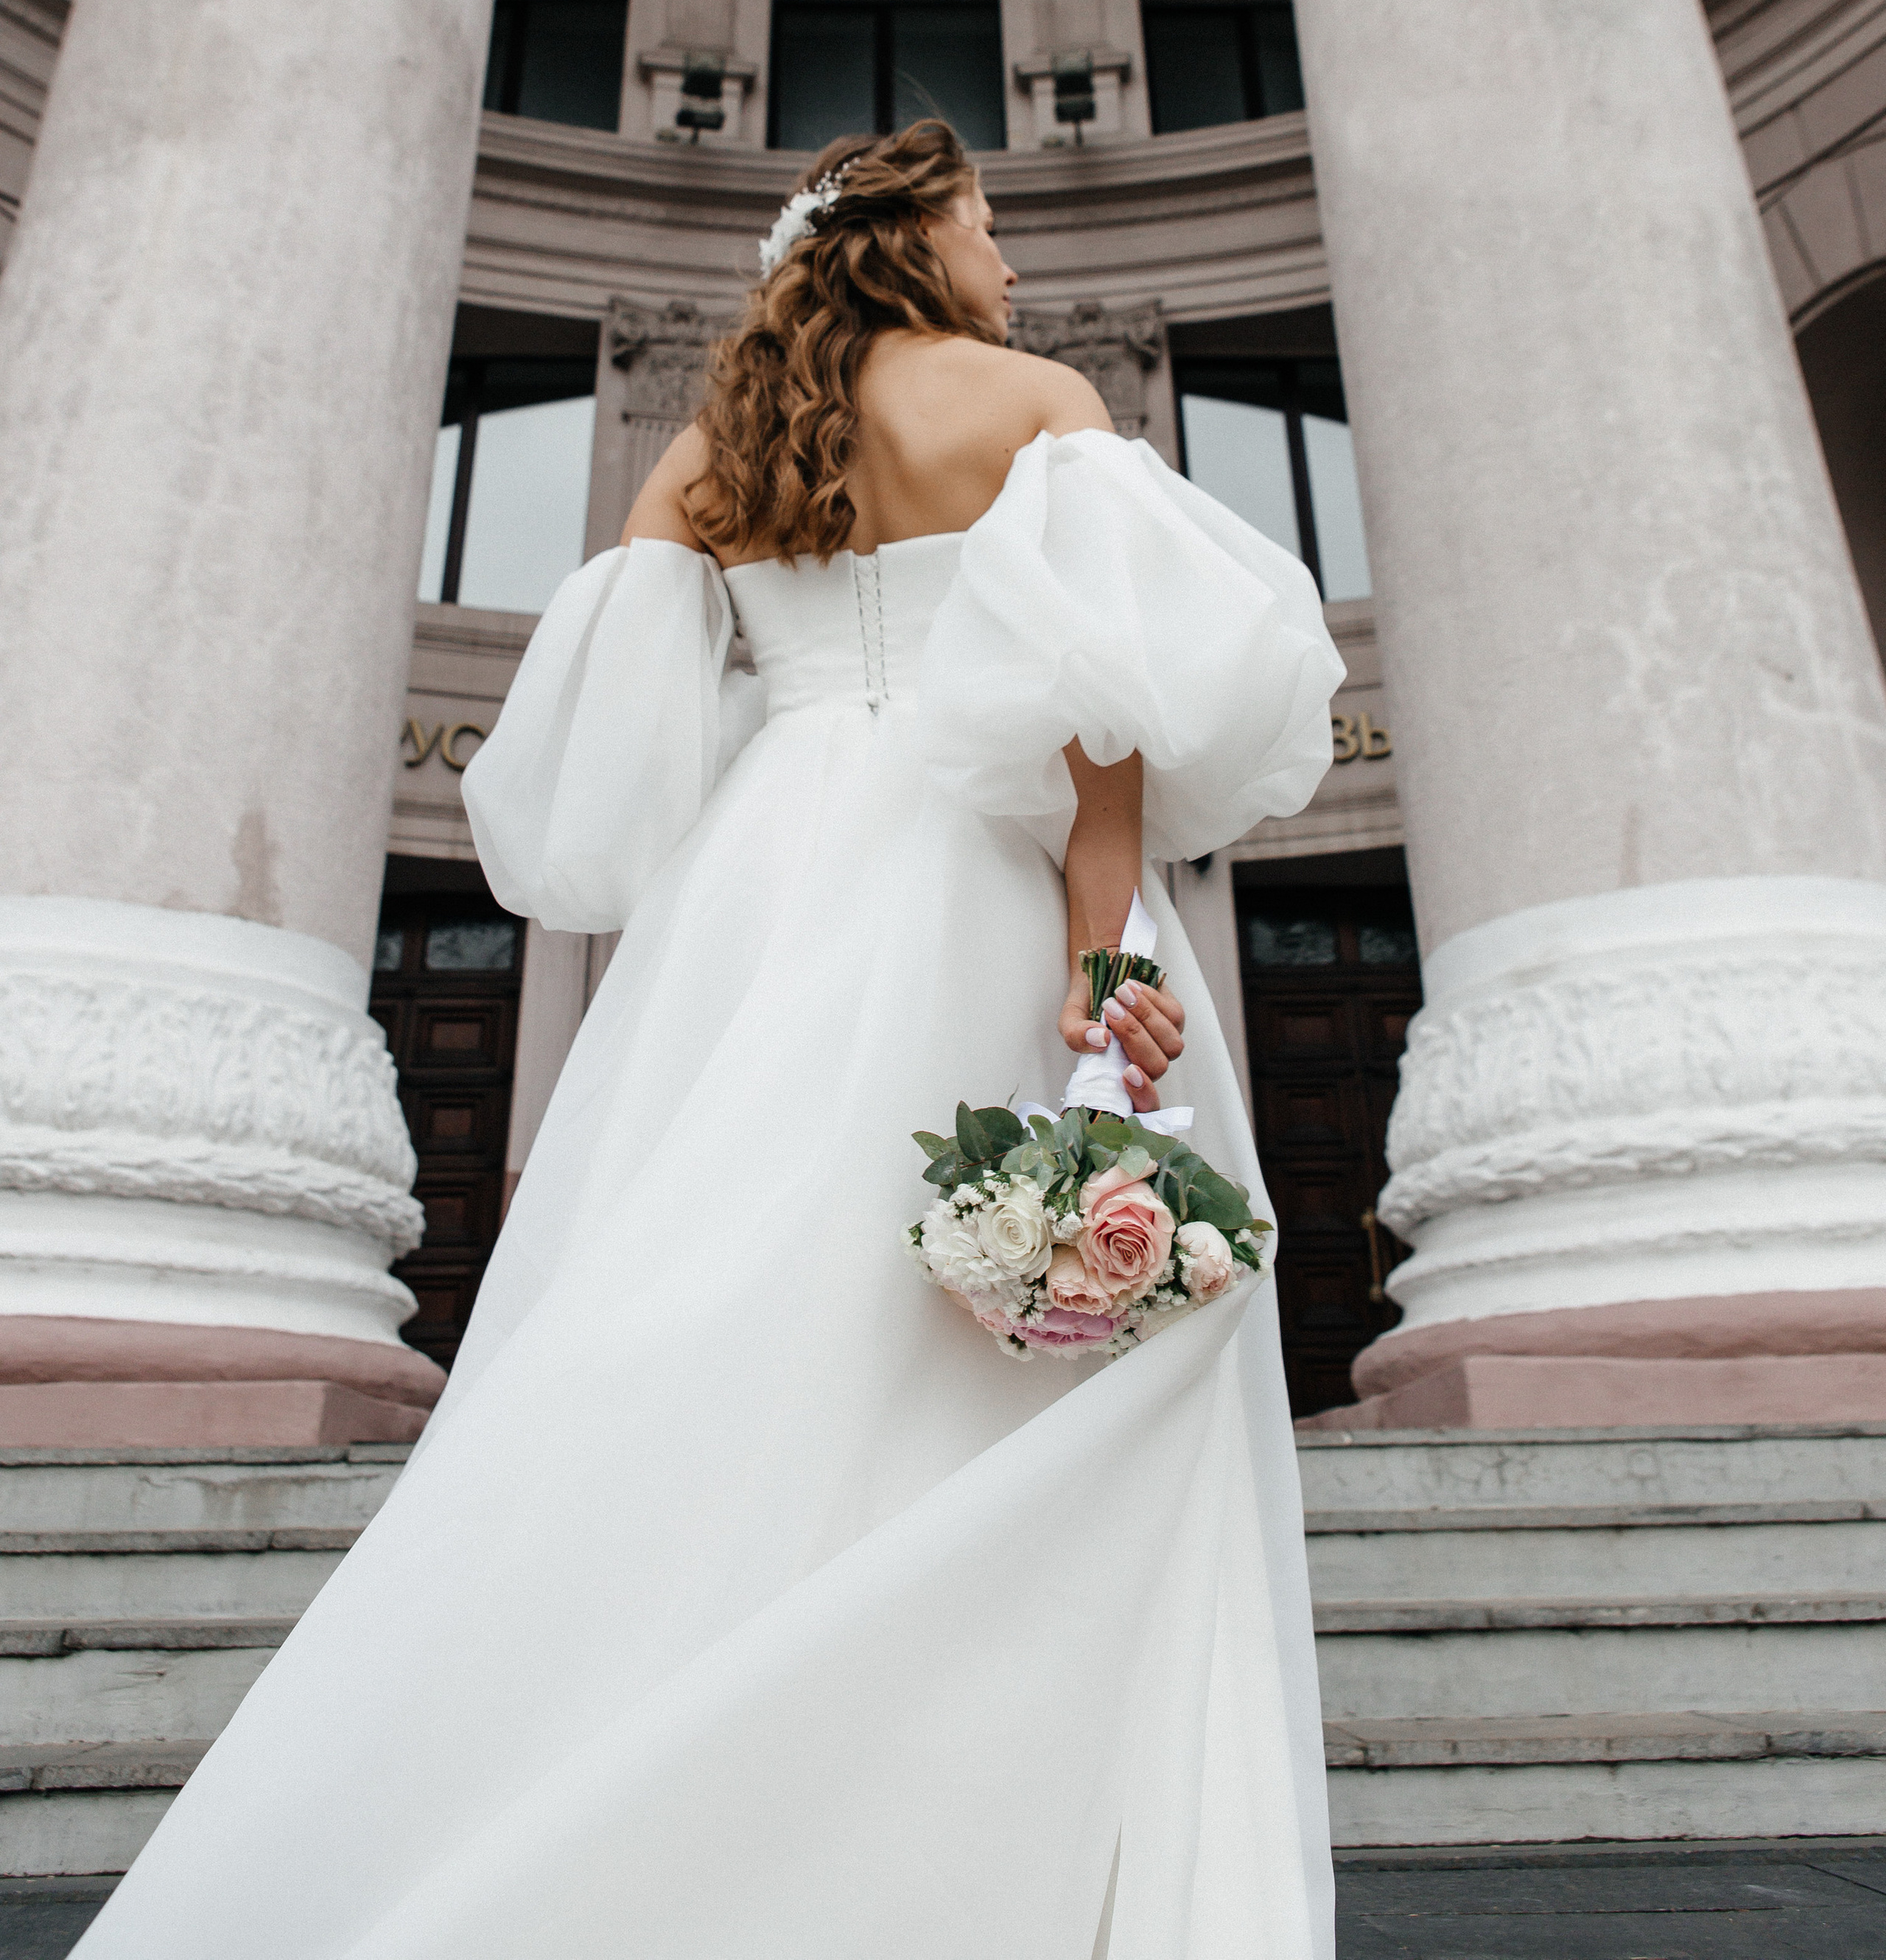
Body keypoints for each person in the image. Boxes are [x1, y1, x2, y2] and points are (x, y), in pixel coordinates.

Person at [80, 119, 1345, 1960]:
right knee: (1049, 1346)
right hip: (970, 880)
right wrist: (1097, 967)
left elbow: (615, 757)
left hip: (761, 890)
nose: (1008, 263)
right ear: (911, 243)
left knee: (732, 1302)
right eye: (984, 226)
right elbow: (1101, 742)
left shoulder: (713, 452)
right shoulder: (1033, 405)